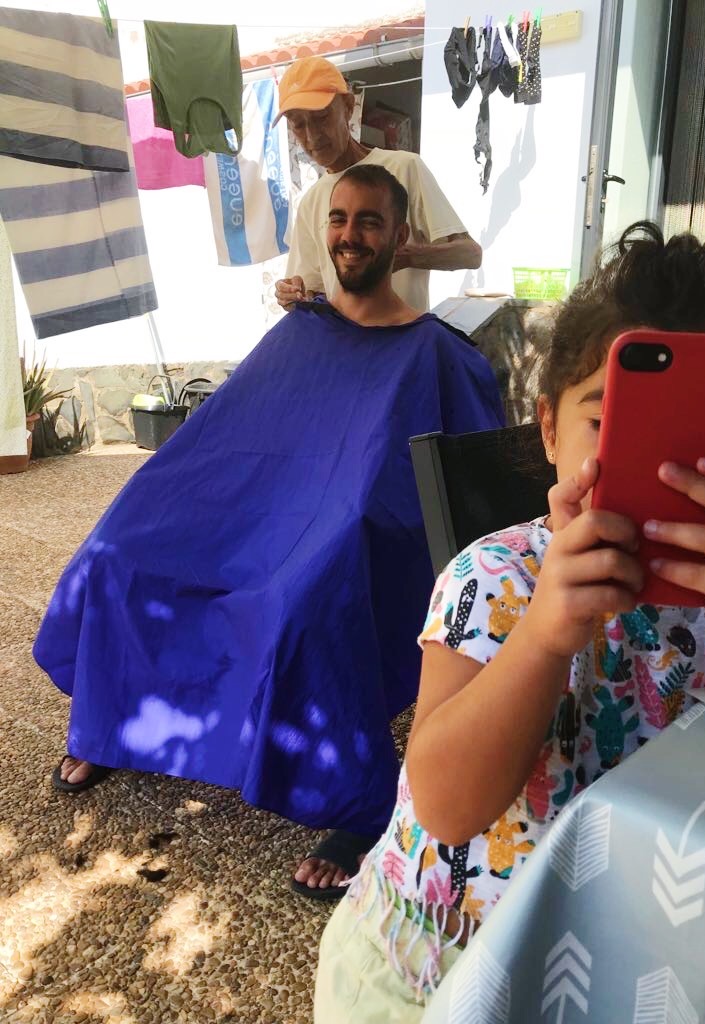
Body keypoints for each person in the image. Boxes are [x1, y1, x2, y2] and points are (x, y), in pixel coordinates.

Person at [313, 220, 705, 1022]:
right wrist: (545, 636)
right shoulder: (494, 579)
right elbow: (447, 806)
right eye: (610, 421)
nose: (661, 466)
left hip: (620, 959)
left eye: (697, 438)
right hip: (430, 972)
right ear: (550, 428)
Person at [36, 166, 504, 894]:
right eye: (340, 219)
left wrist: (354, 516)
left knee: (303, 601)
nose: (351, 234)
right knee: (117, 558)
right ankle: (112, 724)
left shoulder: (435, 352)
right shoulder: (300, 331)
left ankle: (356, 804)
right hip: (246, 517)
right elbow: (225, 442)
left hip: (340, 534)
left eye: (371, 221)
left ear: (402, 238)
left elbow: (463, 494)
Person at [274, 55, 481, 314]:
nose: (312, 136)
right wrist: (291, 294)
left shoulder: (405, 168)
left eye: (322, 118)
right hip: (347, 347)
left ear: (348, 107)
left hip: (403, 345)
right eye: (298, 125)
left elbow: (470, 254)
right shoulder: (311, 203)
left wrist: (403, 256)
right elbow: (313, 291)